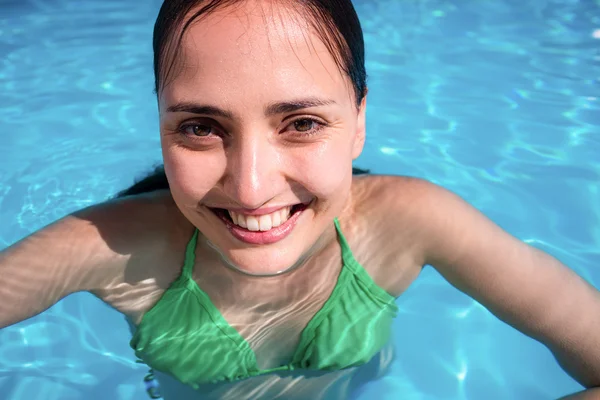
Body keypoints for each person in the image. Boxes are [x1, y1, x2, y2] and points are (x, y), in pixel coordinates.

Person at [1, 0, 599, 399]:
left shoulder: (410, 222)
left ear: (359, 120)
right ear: (159, 123)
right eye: (201, 127)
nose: (251, 186)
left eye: (303, 123)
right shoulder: (110, 245)